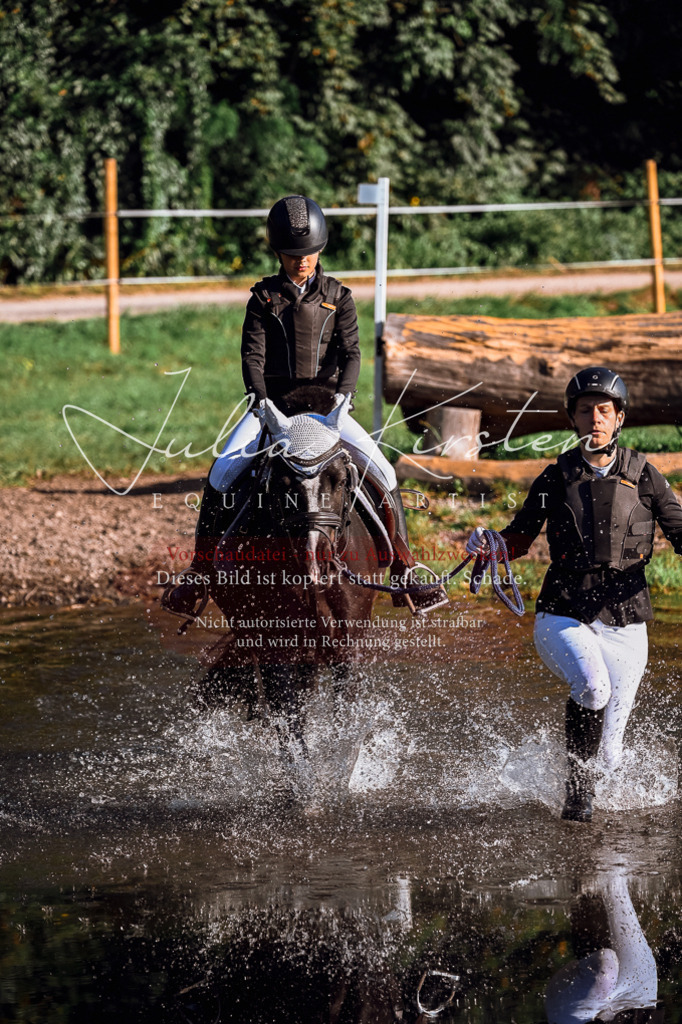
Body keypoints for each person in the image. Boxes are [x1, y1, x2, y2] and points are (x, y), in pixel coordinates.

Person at [165, 194, 447, 617]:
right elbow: (252, 358)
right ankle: (200, 573)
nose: (303, 262)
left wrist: (344, 399)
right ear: (279, 253)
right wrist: (262, 405)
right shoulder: (262, 299)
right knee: (222, 473)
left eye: (310, 253)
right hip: (276, 411)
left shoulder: (340, 297)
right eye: (294, 254)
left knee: (384, 471)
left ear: (321, 249)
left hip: (326, 409)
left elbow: (352, 354)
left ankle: (405, 571)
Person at [467, 366, 682, 822]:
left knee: (611, 755)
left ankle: (591, 814)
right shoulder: (554, 476)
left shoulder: (646, 476)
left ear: (619, 418)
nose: (596, 419)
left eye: (605, 410)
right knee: (592, 685)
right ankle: (576, 800)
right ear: (574, 419)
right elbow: (518, 538)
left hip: (627, 619)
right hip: (563, 613)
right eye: (586, 411)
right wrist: (489, 542)